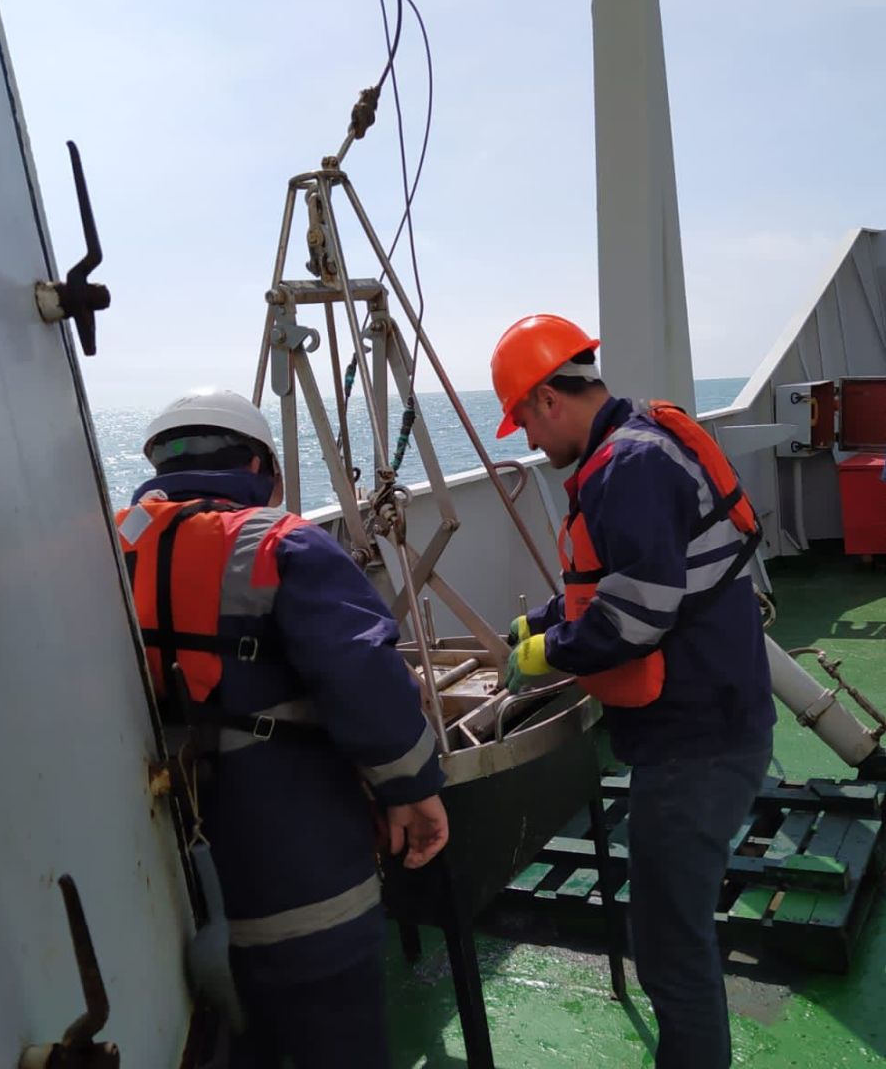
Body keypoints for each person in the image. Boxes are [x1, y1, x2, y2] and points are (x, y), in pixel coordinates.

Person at [116, 387, 448, 1069]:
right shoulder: (282, 543)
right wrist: (413, 787)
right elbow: (366, 677)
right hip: (304, 881)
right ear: (260, 466)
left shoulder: (110, 553)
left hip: (179, 889)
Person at [491, 315, 775, 1069]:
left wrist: (546, 652)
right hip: (705, 726)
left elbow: (636, 618)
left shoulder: (628, 466)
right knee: (670, 936)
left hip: (698, 744)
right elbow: (615, 578)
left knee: (671, 949)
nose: (529, 441)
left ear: (549, 398)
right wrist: (539, 620)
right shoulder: (635, 443)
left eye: (524, 420)